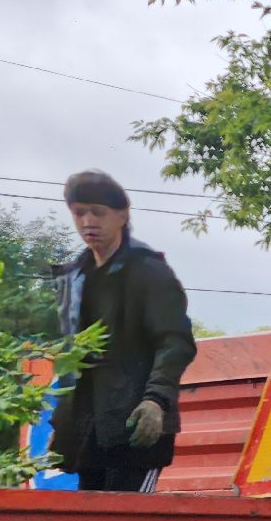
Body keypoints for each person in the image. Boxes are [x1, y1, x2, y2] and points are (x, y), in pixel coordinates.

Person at [50, 170, 197, 492]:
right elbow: (69, 357)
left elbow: (175, 342)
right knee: (89, 520)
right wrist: (63, 419)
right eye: (79, 212)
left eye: (98, 212)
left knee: (130, 518)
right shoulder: (72, 279)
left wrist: (156, 401)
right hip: (88, 435)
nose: (88, 221)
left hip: (136, 428)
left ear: (122, 215)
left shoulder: (149, 272)